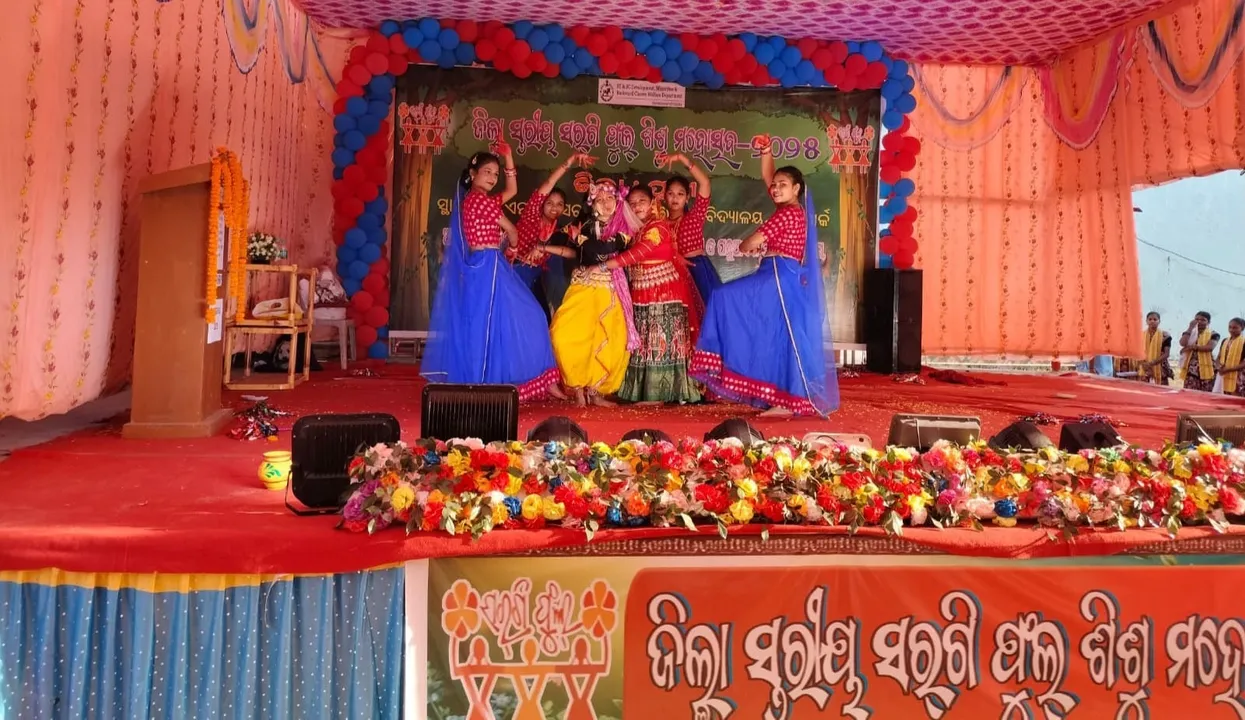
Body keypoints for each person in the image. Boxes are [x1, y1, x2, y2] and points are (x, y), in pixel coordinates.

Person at [689, 136, 839, 417]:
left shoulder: (786, 215)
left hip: (778, 280)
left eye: (783, 185)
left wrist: (746, 247)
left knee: (723, 297)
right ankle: (781, 399)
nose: (775, 188)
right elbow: (769, 176)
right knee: (776, 337)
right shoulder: (794, 210)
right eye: (774, 185)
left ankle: (726, 363)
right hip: (779, 277)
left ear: (797, 189)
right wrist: (767, 151)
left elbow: (751, 242)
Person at [420, 145, 564, 401]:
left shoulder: (474, 200)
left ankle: (486, 383)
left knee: (489, 323)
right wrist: (515, 250)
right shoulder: (479, 201)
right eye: (486, 172)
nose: (491, 178)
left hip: (483, 264)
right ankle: (503, 384)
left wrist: (509, 156)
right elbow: (511, 230)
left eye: (495, 174)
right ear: (473, 173)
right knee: (526, 318)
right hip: (490, 265)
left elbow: (512, 191)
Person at [595, 185, 702, 405]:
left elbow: (638, 253)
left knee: (659, 341)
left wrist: (604, 266)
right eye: (632, 203)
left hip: (663, 293)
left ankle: (661, 394)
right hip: (641, 291)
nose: (636, 206)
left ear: (652, 202)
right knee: (643, 342)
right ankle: (640, 392)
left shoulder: (657, 227)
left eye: (641, 201)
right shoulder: (635, 230)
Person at [539, 179, 641, 407]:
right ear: (591, 203)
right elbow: (573, 252)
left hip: (609, 289)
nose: (604, 203)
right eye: (599, 199)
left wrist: (584, 242)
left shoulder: (624, 228)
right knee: (563, 334)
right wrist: (542, 247)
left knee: (606, 340)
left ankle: (595, 392)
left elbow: (607, 252)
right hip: (582, 287)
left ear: (617, 202)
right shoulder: (582, 224)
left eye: (609, 199)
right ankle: (577, 388)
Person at [512, 152, 596, 319]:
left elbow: (572, 253)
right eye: (549, 203)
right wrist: (569, 161)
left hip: (534, 280)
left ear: (564, 208)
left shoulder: (560, 231)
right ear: (541, 204)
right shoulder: (531, 217)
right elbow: (550, 182)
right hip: (515, 276)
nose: (554, 208)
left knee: (543, 319)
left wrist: (547, 247)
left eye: (559, 204)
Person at [659, 153, 719, 302]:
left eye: (680, 194)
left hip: (696, 270)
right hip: (671, 273)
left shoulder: (694, 217)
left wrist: (681, 158)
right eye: (671, 193)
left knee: (704, 313)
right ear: (664, 196)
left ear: (687, 198)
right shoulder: (659, 225)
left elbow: (705, 183)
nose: (675, 198)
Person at [1179, 310, 1220, 392]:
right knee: (1190, 393)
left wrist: (1191, 347)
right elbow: (1183, 343)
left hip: (1207, 368)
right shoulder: (1189, 332)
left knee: (1206, 394)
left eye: (1203, 320)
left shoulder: (1214, 334)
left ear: (1208, 322)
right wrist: (1190, 327)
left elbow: (1209, 347)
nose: (1199, 322)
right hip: (1191, 369)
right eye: (1197, 319)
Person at [1138, 311, 1172, 385]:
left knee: (1161, 392)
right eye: (1150, 319)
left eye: (1155, 319)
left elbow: (1166, 354)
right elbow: (1138, 352)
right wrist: (1146, 365)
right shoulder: (1141, 335)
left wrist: (1151, 363)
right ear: (1146, 321)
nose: (1152, 321)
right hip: (1144, 367)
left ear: (1159, 321)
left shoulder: (1165, 336)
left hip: (1160, 368)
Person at [1216, 317, 1245, 397]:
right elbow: (1219, 357)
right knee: (1222, 398)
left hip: (1238, 376)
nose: (1232, 330)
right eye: (1230, 327)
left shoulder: (1243, 342)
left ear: (1242, 328)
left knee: (1236, 399)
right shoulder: (1225, 341)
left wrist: (1228, 369)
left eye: (1235, 328)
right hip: (1223, 374)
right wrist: (1218, 366)